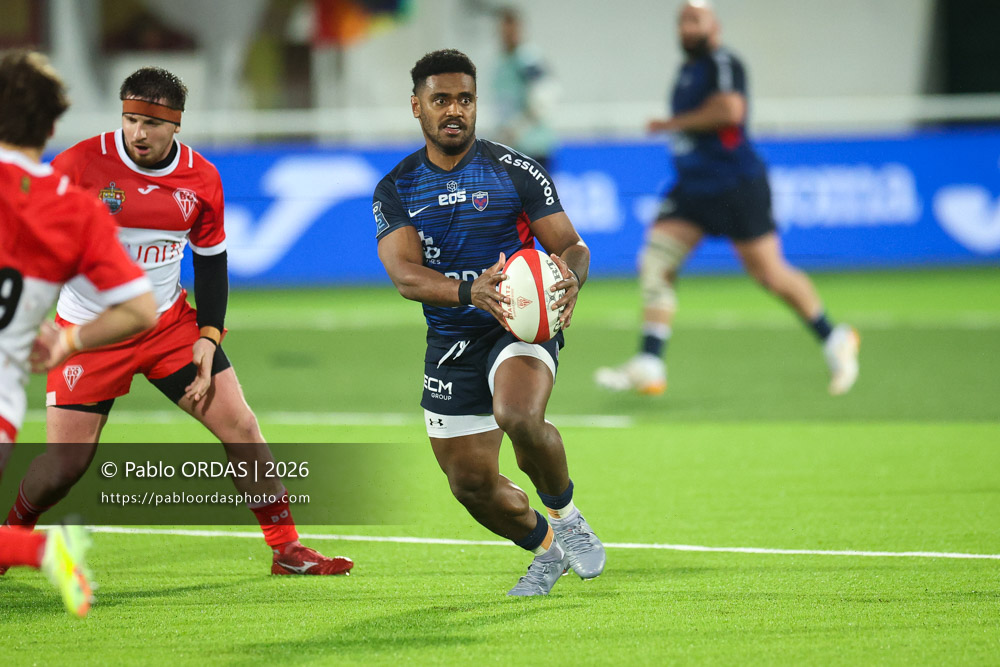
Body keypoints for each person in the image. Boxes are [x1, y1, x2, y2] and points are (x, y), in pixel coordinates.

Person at [2, 66, 353, 577]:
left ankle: (287, 548)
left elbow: (211, 261)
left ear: (175, 125)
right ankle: (11, 537)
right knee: (63, 467)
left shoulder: (201, 178)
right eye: (129, 119)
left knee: (241, 425)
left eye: (150, 122)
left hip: (168, 328)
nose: (137, 133)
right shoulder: (80, 165)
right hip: (88, 335)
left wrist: (209, 336)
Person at [374, 49, 604, 596]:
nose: (454, 110)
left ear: (476, 103)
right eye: (441, 100)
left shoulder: (515, 169)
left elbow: (571, 246)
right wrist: (466, 292)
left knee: (517, 414)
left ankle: (567, 516)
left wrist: (571, 276)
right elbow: (406, 276)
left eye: (465, 99)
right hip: (452, 337)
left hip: (518, 324)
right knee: (470, 483)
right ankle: (545, 550)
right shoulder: (398, 188)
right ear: (417, 106)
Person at [595, 0, 860, 396]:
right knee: (655, 261)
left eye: (695, 19)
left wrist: (672, 123)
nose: (687, 27)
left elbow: (730, 111)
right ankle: (650, 362)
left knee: (770, 274)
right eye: (682, 20)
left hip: (734, 183)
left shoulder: (722, 62)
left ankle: (834, 336)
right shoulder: (687, 71)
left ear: (713, 26)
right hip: (692, 187)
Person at [0, 49, 158, 616]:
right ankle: (43, 547)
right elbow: (141, 311)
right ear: (51, 125)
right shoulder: (75, 210)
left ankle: (44, 547)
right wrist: (65, 341)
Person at [493, 6, 558, 170]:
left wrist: (518, 127)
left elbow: (545, 94)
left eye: (511, 27)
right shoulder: (502, 63)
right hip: (511, 149)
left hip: (532, 148)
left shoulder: (527, 58)